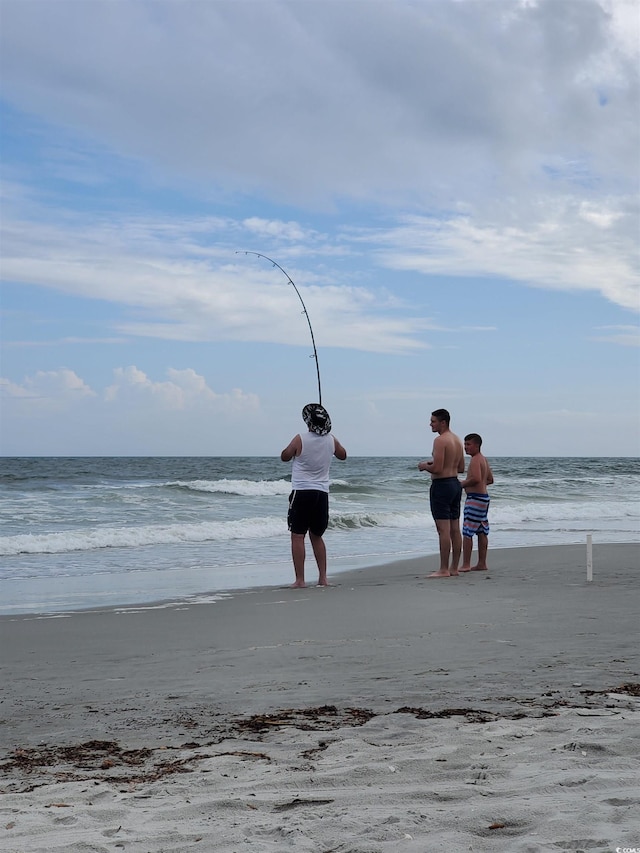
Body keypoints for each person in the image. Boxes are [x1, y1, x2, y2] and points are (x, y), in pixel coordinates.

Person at [280, 403, 347, 588]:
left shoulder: (300, 438)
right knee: (317, 535)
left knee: (297, 536)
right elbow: (343, 455)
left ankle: (300, 580)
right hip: (321, 493)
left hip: (302, 492)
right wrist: (328, 440)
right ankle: (323, 578)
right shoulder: (331, 440)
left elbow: (285, 456)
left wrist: (292, 451)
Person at [418, 409, 465, 578]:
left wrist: (425, 466)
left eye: (433, 421)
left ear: (443, 422)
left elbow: (437, 469)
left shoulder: (440, 440)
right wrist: (435, 463)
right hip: (455, 484)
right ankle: (454, 568)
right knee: (454, 529)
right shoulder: (457, 440)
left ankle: (444, 569)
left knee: (443, 530)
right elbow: (460, 468)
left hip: (442, 485)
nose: (430, 424)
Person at [459, 433, 494, 572]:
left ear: (477, 445)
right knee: (481, 530)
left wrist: (462, 484)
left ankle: (466, 564)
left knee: (467, 531)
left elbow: (477, 478)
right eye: (465, 444)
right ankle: (482, 563)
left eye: (468, 444)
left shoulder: (475, 460)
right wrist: (479, 486)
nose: (465, 447)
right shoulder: (483, 459)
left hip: (475, 499)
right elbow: (490, 479)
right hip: (484, 498)